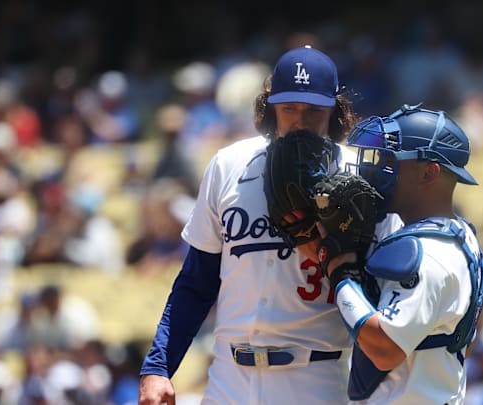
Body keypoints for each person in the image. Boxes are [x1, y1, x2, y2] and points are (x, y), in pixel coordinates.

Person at [138, 45, 401, 405]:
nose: (300, 120)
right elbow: (196, 282)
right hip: (229, 379)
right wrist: (158, 367)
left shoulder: (361, 176)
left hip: (317, 377)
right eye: (289, 107)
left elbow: (386, 300)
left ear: (335, 110)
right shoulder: (229, 164)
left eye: (313, 109)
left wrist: (330, 255)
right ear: (269, 106)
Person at [313, 105, 483, 404]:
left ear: (429, 172)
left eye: (390, 161)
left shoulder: (428, 251)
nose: (376, 168)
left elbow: (384, 349)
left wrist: (339, 272)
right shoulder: (462, 236)